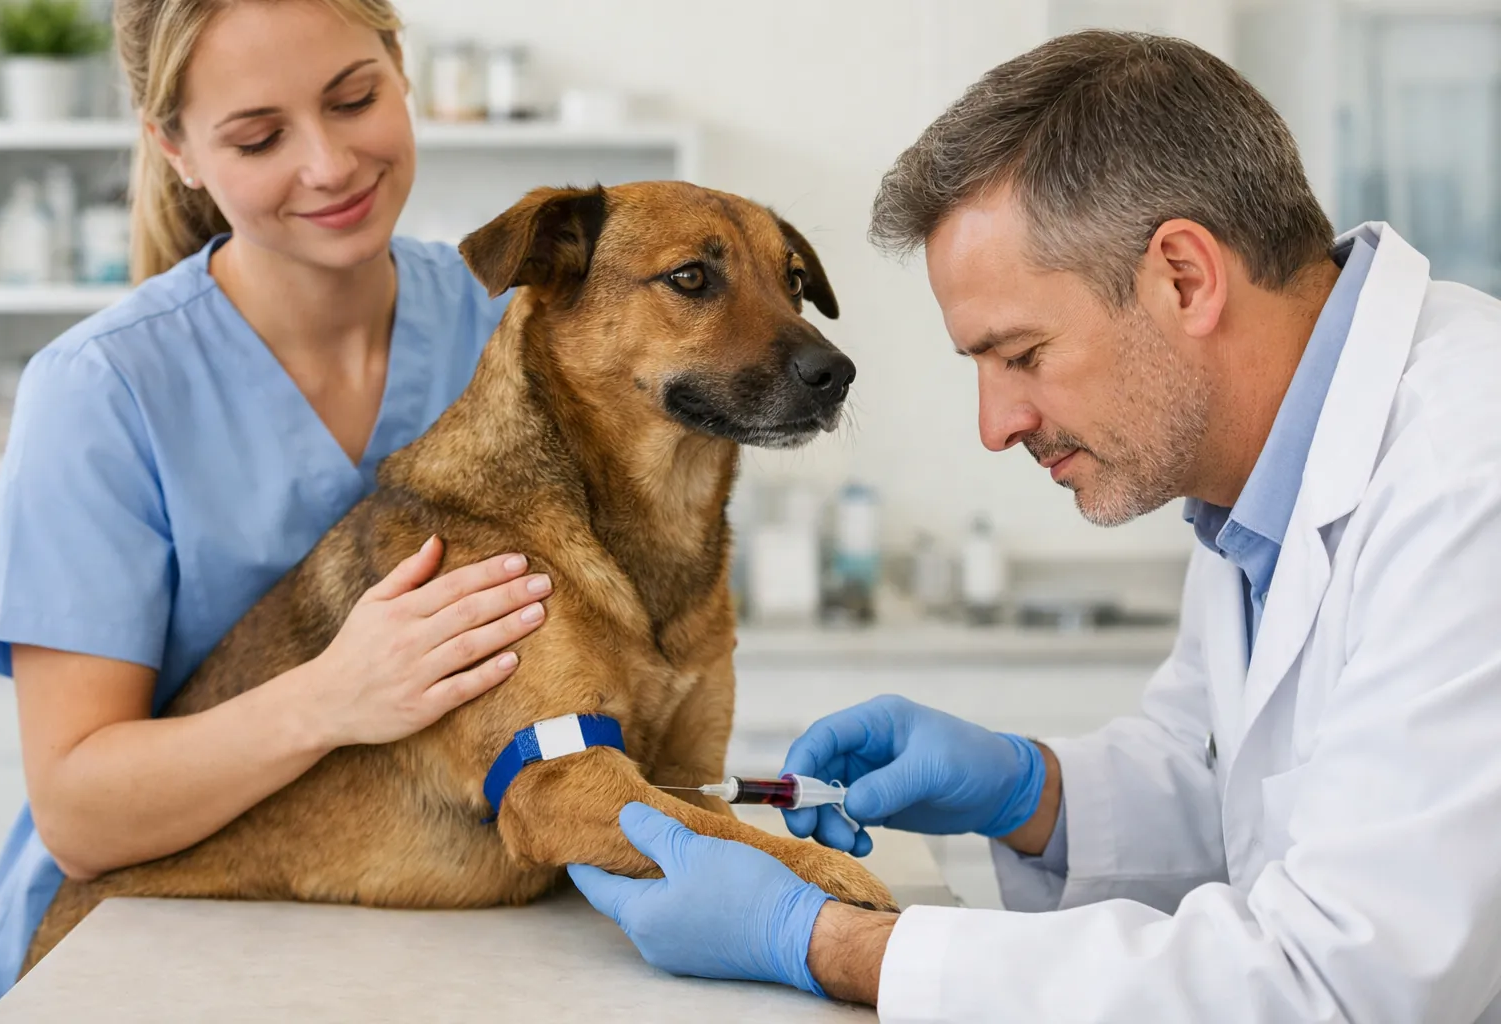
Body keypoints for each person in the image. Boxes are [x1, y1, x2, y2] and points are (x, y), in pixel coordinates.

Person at [568, 29, 1501, 1022]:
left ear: (1185, 277)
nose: (995, 423)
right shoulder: (1257, 483)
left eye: (1020, 353)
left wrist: (828, 943)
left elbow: (1347, 979)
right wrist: (1029, 793)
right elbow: (1227, 796)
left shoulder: (1466, 474)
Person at [0, 1, 548, 1018]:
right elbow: (79, 809)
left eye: (354, 98)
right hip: (140, 945)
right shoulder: (103, 392)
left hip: (440, 931)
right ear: (176, 149)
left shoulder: (507, 324)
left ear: (400, 72)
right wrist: (336, 695)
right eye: (258, 136)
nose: (328, 165)